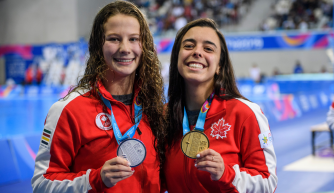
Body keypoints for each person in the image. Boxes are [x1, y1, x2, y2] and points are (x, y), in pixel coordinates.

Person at [31, 1, 165, 192]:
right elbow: (42, 184)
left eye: (134, 39)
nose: (125, 48)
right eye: (114, 39)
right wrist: (94, 179)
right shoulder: (69, 110)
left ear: (145, 46)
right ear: (98, 46)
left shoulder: (152, 107)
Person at [162, 18, 278, 192]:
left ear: (219, 66)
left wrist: (227, 173)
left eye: (208, 48)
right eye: (188, 46)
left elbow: (268, 182)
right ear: (177, 57)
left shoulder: (245, 113)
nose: (197, 52)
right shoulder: (163, 116)